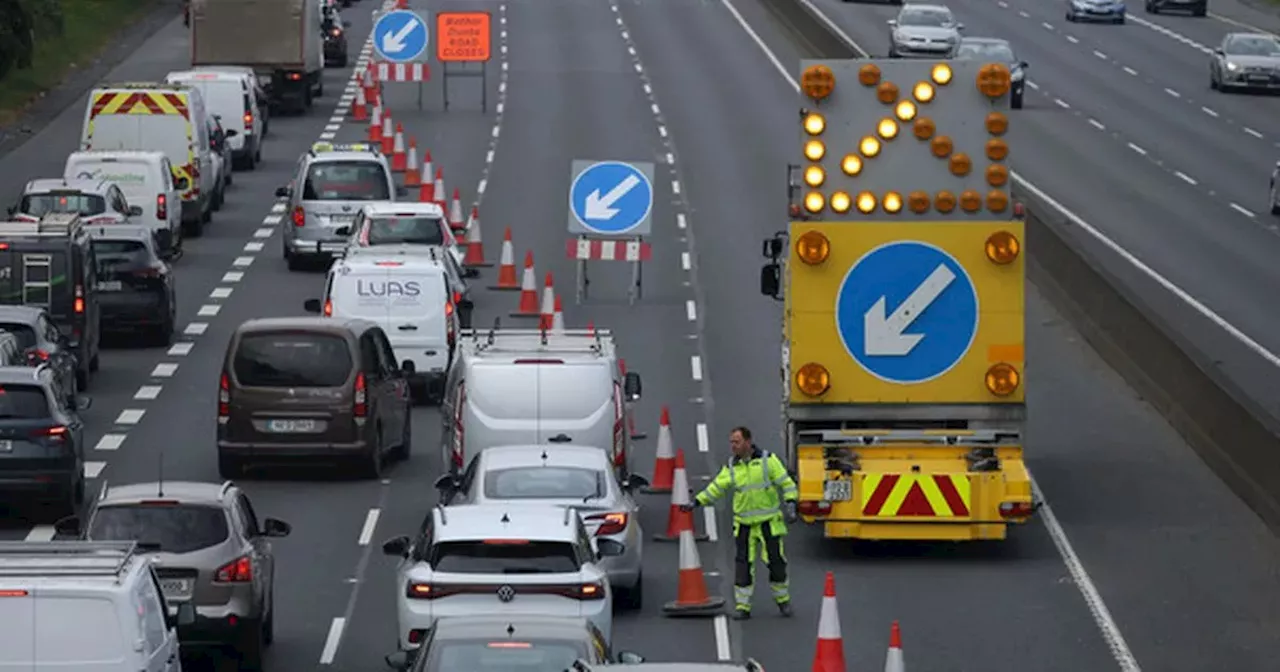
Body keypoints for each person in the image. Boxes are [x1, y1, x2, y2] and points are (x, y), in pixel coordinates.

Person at [682, 426, 798, 619]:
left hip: (768, 523)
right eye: (731, 442)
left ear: (748, 442)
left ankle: (783, 601)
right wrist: (697, 502)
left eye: (736, 441)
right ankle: (743, 607)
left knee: (776, 564)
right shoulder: (732, 467)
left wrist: (791, 504)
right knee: (743, 567)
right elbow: (717, 487)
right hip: (744, 526)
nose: (733, 446)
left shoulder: (768, 461)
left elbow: (786, 483)